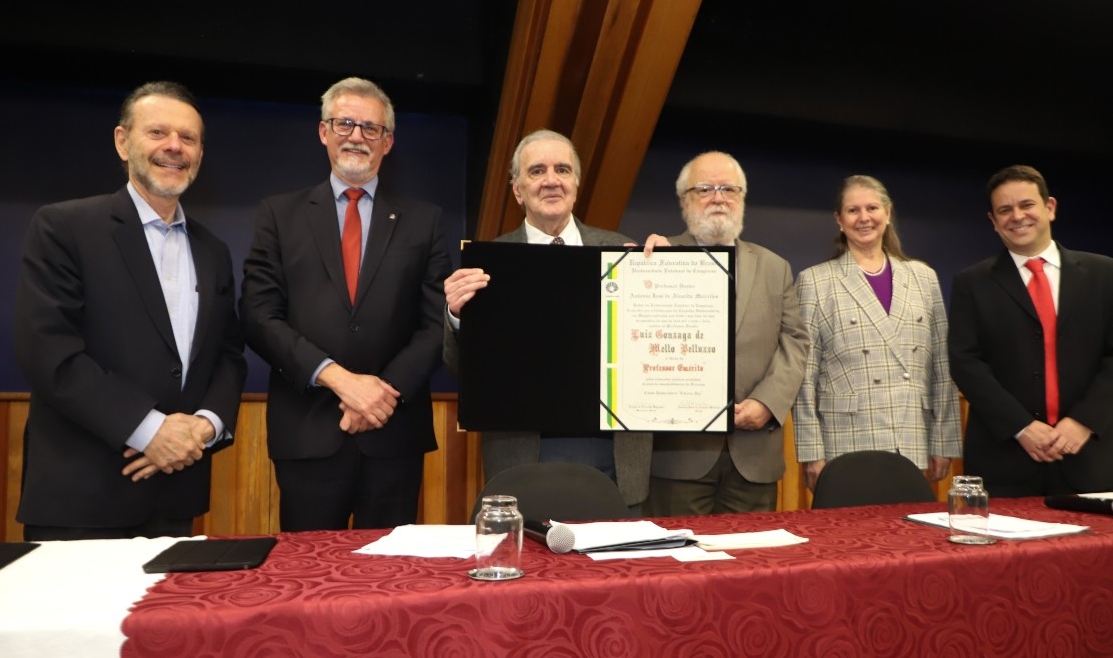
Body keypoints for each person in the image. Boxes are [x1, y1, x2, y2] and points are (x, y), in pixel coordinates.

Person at [14, 81, 247, 541]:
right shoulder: (64, 226)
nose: (174, 148)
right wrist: (148, 429)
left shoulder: (213, 250)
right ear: (123, 141)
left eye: (188, 138)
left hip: (177, 494)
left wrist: (205, 427)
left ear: (200, 152)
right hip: (81, 498)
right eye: (158, 132)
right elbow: (48, 352)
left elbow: (228, 354)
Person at [241, 77, 451, 530]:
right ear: (323, 131)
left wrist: (379, 394)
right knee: (309, 585)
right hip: (308, 433)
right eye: (345, 124)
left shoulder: (425, 220)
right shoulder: (279, 215)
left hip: (393, 433)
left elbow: (436, 323)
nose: (356, 136)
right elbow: (258, 315)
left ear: (388, 142)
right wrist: (340, 381)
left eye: (370, 128)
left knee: (392, 582)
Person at [443, 129, 651, 510]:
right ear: (518, 190)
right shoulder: (489, 263)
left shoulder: (624, 252)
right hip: (522, 452)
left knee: (615, 569)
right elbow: (462, 369)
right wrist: (458, 316)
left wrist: (672, 277)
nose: (552, 179)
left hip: (614, 453)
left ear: (575, 184)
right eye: (537, 171)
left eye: (562, 169)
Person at [948, 165, 1113, 497]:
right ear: (993, 221)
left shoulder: (1105, 273)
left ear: (1050, 207)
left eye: (1026, 205)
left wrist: (1082, 422)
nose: (1017, 216)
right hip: (1005, 460)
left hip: (1088, 458)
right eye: (1004, 210)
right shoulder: (971, 283)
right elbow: (965, 362)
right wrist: (1021, 427)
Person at [641, 151, 809, 515]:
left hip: (754, 455)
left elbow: (795, 343)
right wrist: (642, 275)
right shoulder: (655, 258)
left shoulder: (774, 267)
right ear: (685, 200)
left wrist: (767, 403)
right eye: (705, 189)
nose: (718, 198)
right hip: (678, 457)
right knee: (677, 569)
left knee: (753, 567)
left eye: (729, 189)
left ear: (742, 199)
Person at [793, 175, 960, 492]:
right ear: (839, 220)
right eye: (853, 210)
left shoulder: (923, 277)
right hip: (844, 442)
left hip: (912, 437)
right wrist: (811, 452)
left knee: (912, 539)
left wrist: (943, 440)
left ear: (888, 212)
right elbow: (804, 375)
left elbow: (942, 365)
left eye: (872, 207)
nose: (864, 217)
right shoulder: (815, 281)